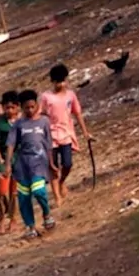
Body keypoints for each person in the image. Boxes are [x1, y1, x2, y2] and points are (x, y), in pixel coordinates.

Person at [3, 90, 55, 238]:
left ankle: (46, 214)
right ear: (21, 107)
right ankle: (30, 226)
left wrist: (52, 164)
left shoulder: (44, 121)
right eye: (27, 108)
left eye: (33, 107)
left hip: (39, 163)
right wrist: (7, 165)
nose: (30, 110)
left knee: (39, 192)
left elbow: (49, 144)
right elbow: (11, 145)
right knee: (24, 198)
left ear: (37, 105)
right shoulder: (18, 125)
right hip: (22, 166)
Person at [40, 63, 92, 206]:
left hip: (66, 134)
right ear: (52, 82)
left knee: (67, 163)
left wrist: (85, 132)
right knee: (53, 166)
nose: (60, 84)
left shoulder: (70, 95)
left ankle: (62, 181)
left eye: (62, 81)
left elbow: (77, 113)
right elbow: (41, 114)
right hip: (50, 135)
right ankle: (57, 196)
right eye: (57, 81)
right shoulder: (46, 97)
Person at [0, 91, 20, 234]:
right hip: (3, 158)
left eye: (12, 108)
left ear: (17, 107)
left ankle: (13, 219)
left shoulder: (22, 121)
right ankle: (1, 220)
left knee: (14, 191)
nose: (9, 111)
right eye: (6, 108)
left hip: (18, 159)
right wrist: (1, 160)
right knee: (2, 191)